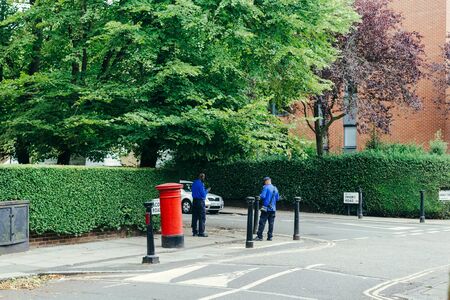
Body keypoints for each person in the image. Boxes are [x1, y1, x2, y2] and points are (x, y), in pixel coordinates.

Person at [255, 176, 279, 241]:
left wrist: (259, 195)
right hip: (273, 209)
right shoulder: (275, 188)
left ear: (266, 181)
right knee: (271, 223)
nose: (264, 183)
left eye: (265, 181)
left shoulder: (266, 187)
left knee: (262, 222)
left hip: (266, 208)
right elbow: (277, 198)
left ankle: (260, 236)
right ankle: (270, 237)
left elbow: (262, 196)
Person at [191, 173, 209, 237]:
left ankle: (194, 231)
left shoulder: (194, 183)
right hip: (200, 202)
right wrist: (207, 190)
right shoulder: (201, 184)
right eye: (204, 177)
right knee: (202, 217)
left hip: (194, 201)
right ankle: (201, 232)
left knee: (194, 217)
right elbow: (203, 194)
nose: (204, 179)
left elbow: (192, 191)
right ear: (202, 177)